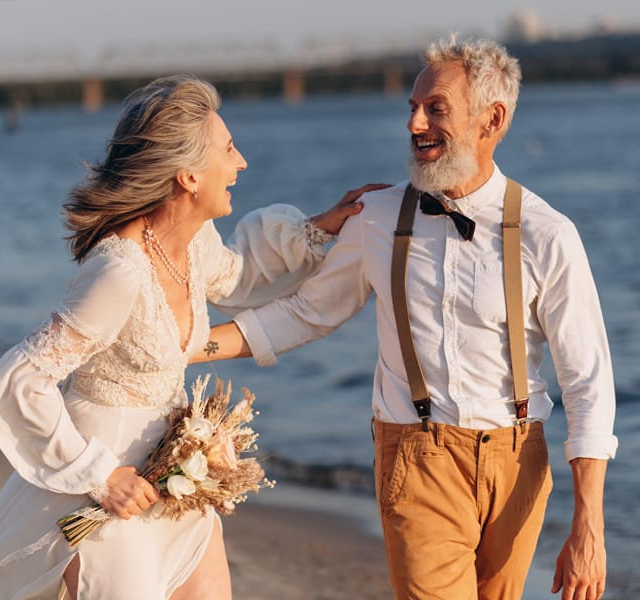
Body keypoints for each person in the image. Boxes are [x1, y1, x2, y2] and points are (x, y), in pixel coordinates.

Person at [196, 37, 617, 600]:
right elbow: (305, 313)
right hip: (416, 458)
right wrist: (186, 344)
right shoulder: (377, 216)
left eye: (435, 107)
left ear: (492, 119)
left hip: (519, 462)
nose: (415, 122)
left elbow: (587, 380)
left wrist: (589, 524)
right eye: (412, 108)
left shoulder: (548, 234)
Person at [0, 74, 384, 600]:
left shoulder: (193, 245)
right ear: (188, 176)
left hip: (172, 478)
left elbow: (240, 277)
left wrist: (322, 227)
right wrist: (101, 476)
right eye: (228, 149)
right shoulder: (118, 273)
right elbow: (19, 380)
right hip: (107, 491)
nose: (241, 162)